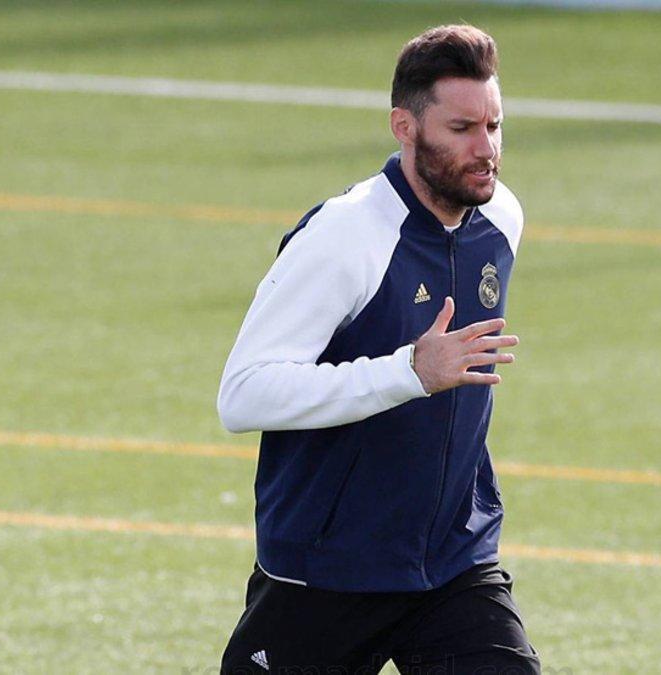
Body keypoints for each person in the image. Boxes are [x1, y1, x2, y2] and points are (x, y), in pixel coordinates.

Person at [216, 24, 538, 673]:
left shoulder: (501, 218)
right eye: (462, 129)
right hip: (328, 569)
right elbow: (242, 393)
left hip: (453, 562)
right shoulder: (344, 236)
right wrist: (408, 373)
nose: (486, 149)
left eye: (494, 126)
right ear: (405, 126)